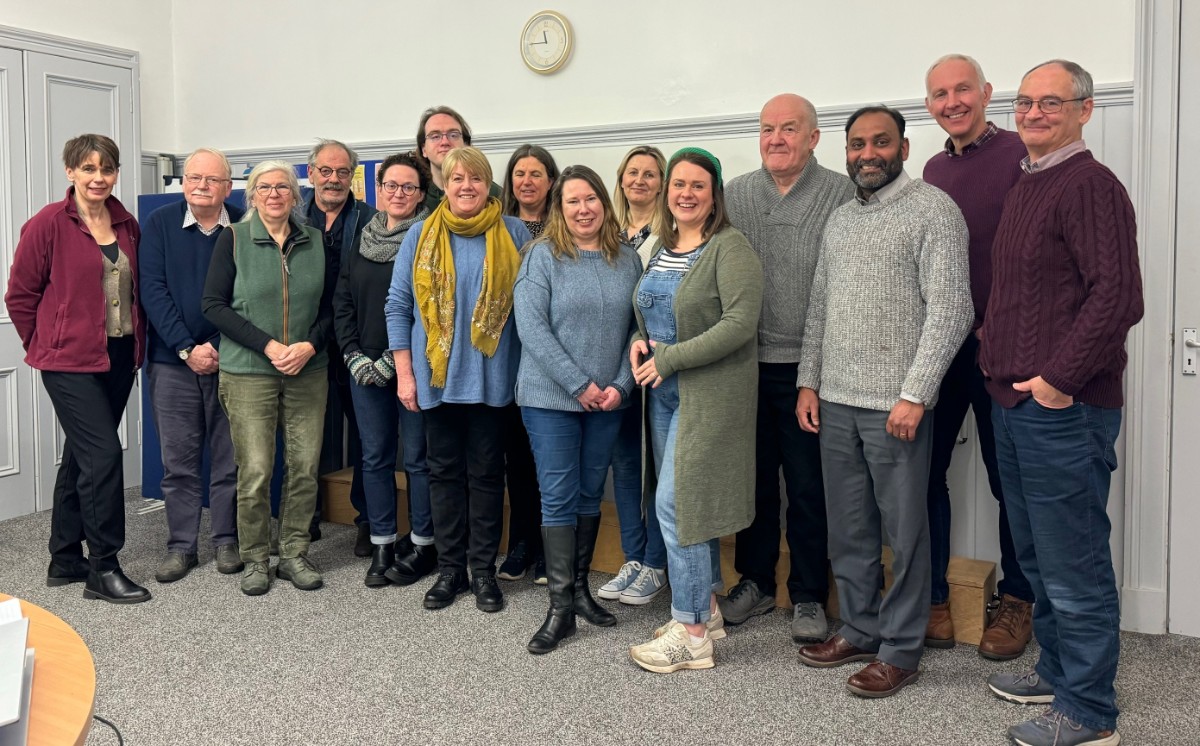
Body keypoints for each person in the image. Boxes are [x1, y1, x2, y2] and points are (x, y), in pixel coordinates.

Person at [981, 60, 1143, 746]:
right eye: (1026, 102)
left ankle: (1089, 711)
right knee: (1041, 557)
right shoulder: (1030, 180)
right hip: (1014, 404)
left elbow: (1117, 298)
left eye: (1052, 102)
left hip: (1063, 410)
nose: (1035, 112)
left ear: (1085, 110)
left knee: (1073, 564)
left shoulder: (1091, 186)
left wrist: (1056, 381)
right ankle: (1056, 670)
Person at [795, 107, 971, 698]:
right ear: (844, 151)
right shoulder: (841, 220)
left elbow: (952, 310)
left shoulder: (933, 210)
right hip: (836, 402)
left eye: (879, 142)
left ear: (903, 146)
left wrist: (916, 394)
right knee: (849, 530)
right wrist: (808, 381)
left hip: (896, 407)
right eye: (856, 144)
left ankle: (901, 648)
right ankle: (861, 626)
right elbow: (819, 307)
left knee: (905, 531)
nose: (866, 153)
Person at [722, 94, 855, 642]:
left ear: (814, 137)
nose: (776, 138)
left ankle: (807, 594)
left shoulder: (841, 195)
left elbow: (845, 290)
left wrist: (816, 376)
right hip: (743, 364)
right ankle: (753, 581)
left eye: (789, 128)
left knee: (806, 486)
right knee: (751, 482)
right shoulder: (735, 196)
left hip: (809, 367)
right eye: (767, 128)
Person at [627, 148, 763, 673]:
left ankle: (691, 637)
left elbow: (739, 323)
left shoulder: (730, 249)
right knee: (691, 507)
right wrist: (643, 342)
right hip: (663, 393)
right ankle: (705, 606)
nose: (685, 193)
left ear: (714, 196)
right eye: (678, 184)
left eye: (698, 186)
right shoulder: (663, 245)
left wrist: (670, 358)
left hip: (708, 395)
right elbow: (653, 311)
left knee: (678, 506)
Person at [921, 54, 1035, 658]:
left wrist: (1005, 327)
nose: (952, 101)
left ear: (987, 92)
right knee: (924, 474)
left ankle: (1017, 600)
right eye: (940, 93)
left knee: (1006, 479)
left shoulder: (1022, 154)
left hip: (1002, 348)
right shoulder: (933, 169)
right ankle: (935, 601)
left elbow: (1035, 256)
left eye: (962, 88)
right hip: (942, 350)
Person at [5, 133, 151, 604]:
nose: (98, 178)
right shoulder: (48, 223)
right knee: (104, 455)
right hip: (68, 362)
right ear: (70, 172)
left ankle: (65, 557)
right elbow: (20, 296)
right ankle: (102, 568)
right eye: (88, 169)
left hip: (117, 357)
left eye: (106, 169)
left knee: (82, 455)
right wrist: (46, 343)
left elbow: (133, 292)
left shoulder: (126, 223)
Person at [385, 146, 531, 612]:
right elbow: (399, 307)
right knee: (443, 476)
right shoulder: (420, 235)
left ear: (488, 184)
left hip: (493, 381)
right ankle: (451, 572)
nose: (466, 186)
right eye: (456, 178)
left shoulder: (513, 231)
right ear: (443, 185)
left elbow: (529, 309)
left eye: (475, 178)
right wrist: (405, 375)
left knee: (487, 477)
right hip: (435, 381)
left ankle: (483, 572)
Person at [514, 164, 642, 654]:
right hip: (551, 399)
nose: (583, 209)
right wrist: (578, 385)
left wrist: (621, 385)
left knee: (590, 493)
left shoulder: (626, 259)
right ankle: (559, 609)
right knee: (559, 495)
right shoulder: (541, 257)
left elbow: (641, 327)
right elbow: (532, 329)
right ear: (558, 209)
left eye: (590, 199)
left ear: (603, 204)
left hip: (609, 399)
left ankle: (580, 592)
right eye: (572, 201)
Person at [203, 160, 332, 596]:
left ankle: (294, 552)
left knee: (305, 466)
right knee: (256, 469)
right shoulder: (233, 238)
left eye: (282, 187)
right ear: (251, 195)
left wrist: (309, 345)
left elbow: (334, 307)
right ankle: (257, 557)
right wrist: (269, 346)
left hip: (307, 371)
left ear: (296, 197)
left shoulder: (315, 241)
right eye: (264, 187)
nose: (274, 194)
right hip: (249, 373)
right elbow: (214, 306)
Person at [139, 147, 244, 583]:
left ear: (228, 186)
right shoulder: (160, 223)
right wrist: (187, 347)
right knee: (178, 462)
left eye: (212, 180)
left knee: (229, 459)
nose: (202, 186)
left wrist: (218, 345)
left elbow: (250, 294)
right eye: (194, 177)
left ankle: (225, 541)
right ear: (183, 182)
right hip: (171, 362)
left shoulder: (243, 223)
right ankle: (181, 547)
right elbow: (152, 290)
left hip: (233, 360)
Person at [333, 151, 432, 587]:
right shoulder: (362, 236)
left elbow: (430, 310)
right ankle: (383, 542)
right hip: (363, 369)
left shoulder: (429, 240)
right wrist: (354, 354)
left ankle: (424, 543)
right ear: (379, 189)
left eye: (408, 187)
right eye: (390, 185)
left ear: (421, 194)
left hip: (412, 365)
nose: (398, 193)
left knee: (417, 459)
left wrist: (395, 359)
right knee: (372, 457)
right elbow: (343, 302)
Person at [597, 145, 671, 606]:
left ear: (662, 182)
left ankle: (657, 563)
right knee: (624, 463)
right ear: (621, 179)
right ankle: (633, 556)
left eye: (649, 173)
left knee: (660, 469)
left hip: (658, 364)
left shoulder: (673, 233)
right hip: (616, 366)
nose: (639, 180)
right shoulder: (606, 232)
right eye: (632, 173)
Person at [303, 139, 377, 556]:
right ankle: (305, 516)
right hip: (304, 345)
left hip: (356, 345)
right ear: (311, 173)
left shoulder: (371, 221)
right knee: (304, 435)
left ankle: (369, 519)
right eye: (326, 171)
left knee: (369, 437)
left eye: (343, 172)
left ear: (354, 177)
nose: (334, 179)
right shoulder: (291, 218)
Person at [497, 144, 560, 584]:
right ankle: (520, 543)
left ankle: (548, 549)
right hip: (506, 357)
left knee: (550, 461)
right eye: (520, 174)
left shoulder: (566, 228)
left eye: (536, 174)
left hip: (552, 360)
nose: (527, 181)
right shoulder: (496, 227)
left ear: (551, 181)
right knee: (516, 458)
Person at [415, 106, 502, 212]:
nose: (444, 142)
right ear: (424, 149)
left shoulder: (494, 193)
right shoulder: (414, 194)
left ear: (466, 144)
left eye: (453, 135)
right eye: (435, 136)